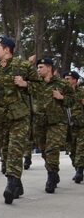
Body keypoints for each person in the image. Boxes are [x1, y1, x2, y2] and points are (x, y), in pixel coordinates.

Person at [0, 36, 39, 203]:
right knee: (5, 153)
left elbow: (42, 88)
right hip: (1, 117)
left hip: (19, 116)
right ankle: (17, 183)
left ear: (7, 50)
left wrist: (26, 84)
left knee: (15, 150)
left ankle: (10, 185)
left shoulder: (22, 66)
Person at [33, 58, 72, 193]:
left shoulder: (62, 84)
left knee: (52, 149)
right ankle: (52, 171)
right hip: (40, 122)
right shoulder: (36, 84)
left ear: (49, 68)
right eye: (37, 67)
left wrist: (62, 98)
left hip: (57, 122)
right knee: (44, 150)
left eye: (41, 67)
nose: (38, 70)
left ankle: (51, 176)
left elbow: (73, 101)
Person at [64, 71, 84, 183]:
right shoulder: (62, 93)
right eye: (65, 79)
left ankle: (79, 171)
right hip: (67, 127)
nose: (65, 81)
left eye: (68, 79)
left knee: (81, 149)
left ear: (75, 80)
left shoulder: (82, 92)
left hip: (81, 125)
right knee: (72, 150)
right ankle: (77, 168)